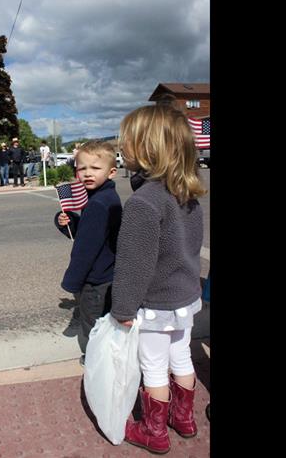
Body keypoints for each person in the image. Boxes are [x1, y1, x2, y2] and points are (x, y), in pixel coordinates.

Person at [110, 104, 207, 454]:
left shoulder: (144, 202)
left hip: (156, 304)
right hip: (184, 297)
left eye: (128, 143)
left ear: (149, 149)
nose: (122, 149)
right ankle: (184, 419)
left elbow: (135, 265)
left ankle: (154, 431)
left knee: (153, 366)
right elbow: (192, 248)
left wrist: (122, 306)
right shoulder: (186, 194)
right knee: (181, 357)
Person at [54, 141, 122, 366]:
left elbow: (85, 248)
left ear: (111, 172)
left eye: (95, 168)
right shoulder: (104, 198)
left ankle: (96, 360)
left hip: (96, 280)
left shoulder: (98, 204)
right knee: (105, 321)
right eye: (82, 168)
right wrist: (68, 221)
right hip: (108, 274)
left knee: (93, 324)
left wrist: (72, 282)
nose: (87, 173)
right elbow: (90, 232)